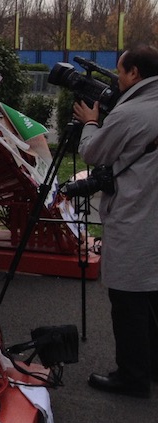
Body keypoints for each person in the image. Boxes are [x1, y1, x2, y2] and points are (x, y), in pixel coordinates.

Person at [72, 44, 158, 398]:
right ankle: (151, 367)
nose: (118, 78)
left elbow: (93, 153)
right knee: (152, 297)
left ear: (135, 73)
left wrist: (90, 124)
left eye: (121, 71)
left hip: (135, 215)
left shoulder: (132, 113)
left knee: (128, 301)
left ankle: (132, 376)